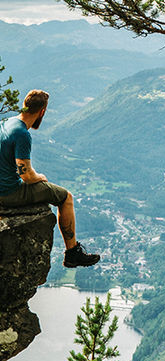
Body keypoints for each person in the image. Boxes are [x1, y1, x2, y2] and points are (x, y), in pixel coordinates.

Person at [0, 90, 100, 268]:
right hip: (9, 193)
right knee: (65, 197)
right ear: (42, 112)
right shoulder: (22, 134)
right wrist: (40, 177)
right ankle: (72, 253)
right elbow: (27, 175)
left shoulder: (6, 122)